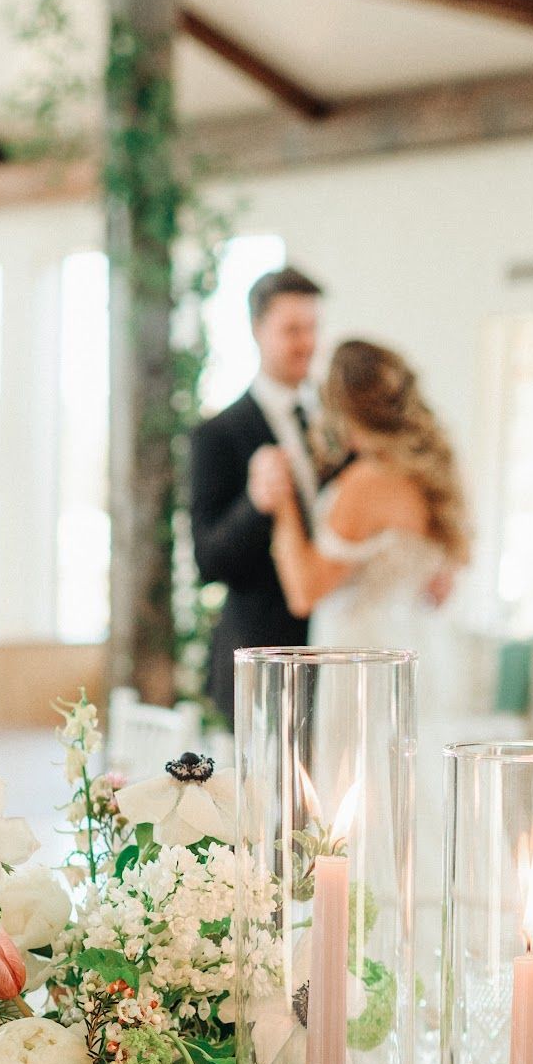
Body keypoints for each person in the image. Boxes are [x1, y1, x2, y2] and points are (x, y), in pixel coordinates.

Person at [253, 338, 470, 652]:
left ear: (343, 407)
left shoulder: (368, 481)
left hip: (360, 658)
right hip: (417, 647)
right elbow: (439, 592)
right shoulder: (441, 472)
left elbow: (304, 594)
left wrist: (282, 499)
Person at [188, 263, 326, 724]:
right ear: (256, 329)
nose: (305, 342)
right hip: (262, 659)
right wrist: (256, 505)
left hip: (336, 653)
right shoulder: (219, 434)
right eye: (291, 329)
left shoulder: (339, 424)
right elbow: (208, 560)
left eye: (311, 328)